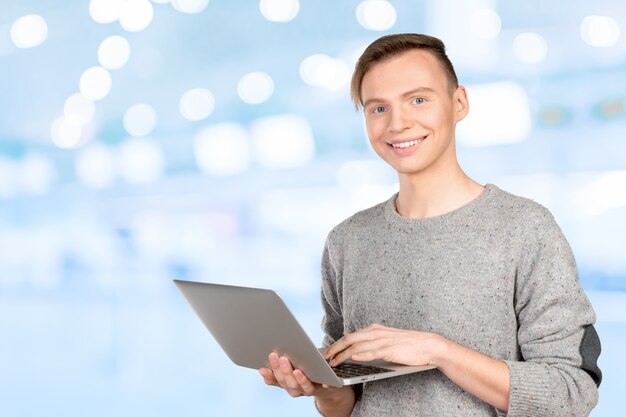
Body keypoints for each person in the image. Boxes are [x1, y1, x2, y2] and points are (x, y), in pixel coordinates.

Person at [259, 33, 602, 416]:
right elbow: (349, 405)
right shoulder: (347, 241)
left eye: (418, 100)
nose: (398, 123)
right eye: (378, 109)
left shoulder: (525, 228)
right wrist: (321, 388)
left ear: (459, 104)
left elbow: (571, 394)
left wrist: (438, 351)